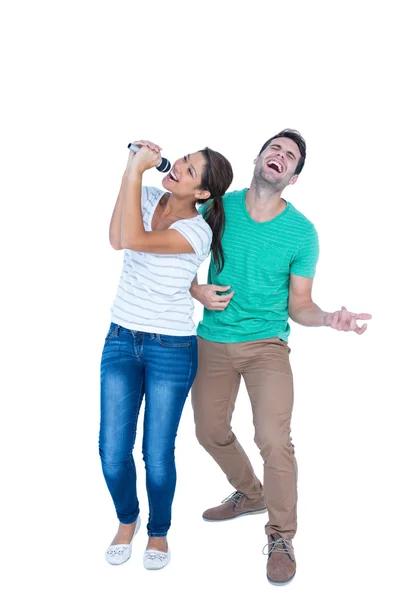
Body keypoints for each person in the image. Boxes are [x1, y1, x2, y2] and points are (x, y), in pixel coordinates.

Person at [190, 129, 372, 585]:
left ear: (292, 178)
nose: (280, 156)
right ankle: (250, 493)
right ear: (258, 157)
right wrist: (194, 288)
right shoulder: (217, 206)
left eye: (290, 156)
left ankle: (281, 536)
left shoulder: (302, 233)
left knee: (273, 438)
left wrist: (330, 317)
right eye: (275, 148)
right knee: (209, 432)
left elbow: (299, 305)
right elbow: (175, 251)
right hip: (211, 339)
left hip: (267, 346)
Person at [100, 140, 233, 570]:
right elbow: (116, 239)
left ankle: (158, 531)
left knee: (156, 453)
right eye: (183, 158)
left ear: (201, 195)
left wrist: (135, 170)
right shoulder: (144, 194)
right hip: (121, 336)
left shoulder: (198, 232)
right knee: (110, 450)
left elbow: (135, 240)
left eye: (190, 170)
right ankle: (128, 520)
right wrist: (131, 172)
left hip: (171, 348)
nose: (178, 165)